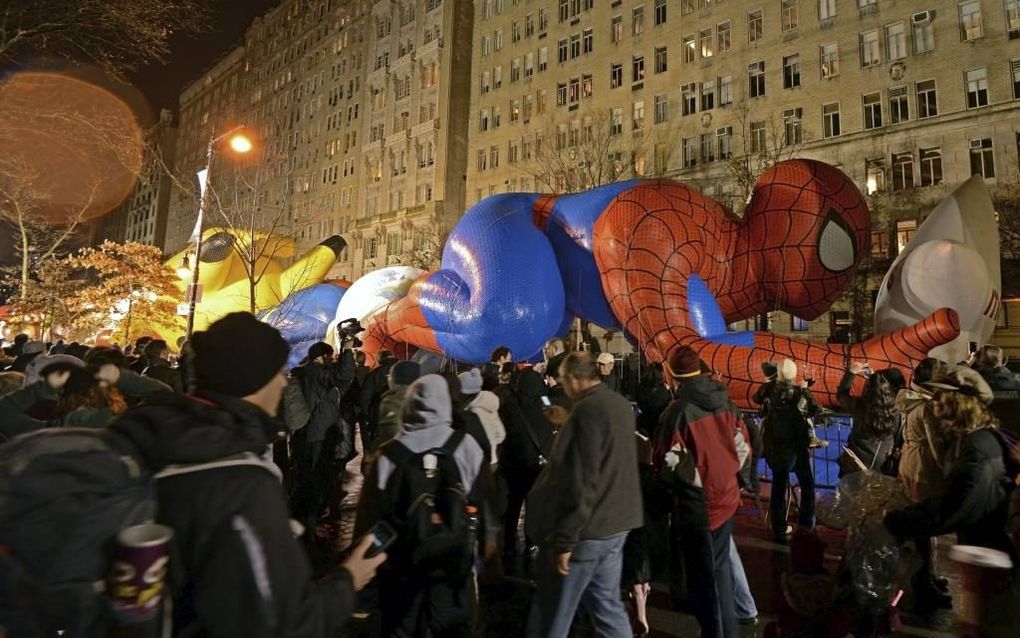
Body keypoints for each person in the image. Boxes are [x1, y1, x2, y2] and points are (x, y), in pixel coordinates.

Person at [108, 312, 385, 636]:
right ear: (254, 379)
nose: (284, 381)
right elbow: (285, 623)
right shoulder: (241, 480)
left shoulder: (160, 437)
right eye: (277, 372)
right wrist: (348, 580)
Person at [357, 375, 486, 637]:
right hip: (451, 559)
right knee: (451, 627)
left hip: (401, 560)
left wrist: (364, 566)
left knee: (400, 627)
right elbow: (481, 499)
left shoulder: (389, 453)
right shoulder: (465, 446)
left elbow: (371, 515)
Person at [526, 352, 643, 638]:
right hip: (618, 521)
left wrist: (565, 540)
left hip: (588, 530)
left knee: (554, 611)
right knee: (606, 606)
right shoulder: (617, 403)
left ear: (573, 380)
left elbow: (584, 478)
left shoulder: (587, 412)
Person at [655, 346, 750, 638]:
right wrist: (728, 475)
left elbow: (667, 461)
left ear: (673, 375)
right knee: (718, 569)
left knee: (705, 577)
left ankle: (717, 631)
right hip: (726, 496)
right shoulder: (725, 402)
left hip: (699, 504)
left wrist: (694, 482)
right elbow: (743, 444)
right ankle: (727, 628)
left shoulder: (677, 412)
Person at [885, 366, 1018, 573]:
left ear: (962, 402)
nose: (935, 399)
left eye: (942, 394)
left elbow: (957, 504)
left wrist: (898, 521)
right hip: (984, 556)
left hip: (990, 562)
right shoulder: (971, 439)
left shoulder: (977, 445)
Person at [895, 357, 953, 613]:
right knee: (924, 529)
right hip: (923, 468)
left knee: (922, 528)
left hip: (910, 462)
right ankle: (923, 586)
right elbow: (936, 444)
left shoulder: (911, 400)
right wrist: (949, 469)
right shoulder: (927, 406)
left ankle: (927, 578)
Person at [0, 358, 170, 440]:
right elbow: (168, 398)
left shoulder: (53, 432)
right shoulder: (128, 427)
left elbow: (5, 412)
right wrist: (123, 378)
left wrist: (42, 388)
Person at [290, 341, 356, 525]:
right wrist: (348, 350)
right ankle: (312, 518)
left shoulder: (309, 373)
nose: (332, 359)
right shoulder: (316, 373)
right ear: (319, 356)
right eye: (329, 356)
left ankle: (312, 514)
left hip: (312, 431)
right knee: (317, 474)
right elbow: (343, 376)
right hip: (318, 433)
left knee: (310, 474)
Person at [761, 359, 819, 543]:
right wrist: (805, 389)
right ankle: (806, 523)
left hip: (775, 446)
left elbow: (757, 398)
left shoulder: (769, 390)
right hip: (795, 447)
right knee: (807, 484)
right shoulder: (797, 394)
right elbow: (814, 410)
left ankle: (778, 525)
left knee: (778, 485)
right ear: (793, 375)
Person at [500, 369, 555, 559]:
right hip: (537, 463)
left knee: (513, 503)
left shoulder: (510, 405)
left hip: (514, 462)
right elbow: (552, 425)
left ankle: (508, 541)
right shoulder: (545, 404)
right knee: (533, 503)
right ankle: (532, 542)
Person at [837, 363, 905, 475]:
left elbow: (842, 394)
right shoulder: (897, 413)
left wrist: (851, 373)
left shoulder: (860, 406)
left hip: (855, 463)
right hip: (881, 466)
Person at [368, 360, 422, 465]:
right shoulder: (424, 398)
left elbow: (388, 434)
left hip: (396, 463)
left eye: (390, 376)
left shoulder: (391, 402)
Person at [359, 350, 398, 454]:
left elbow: (365, 397)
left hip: (378, 416)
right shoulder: (402, 372)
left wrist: (367, 416)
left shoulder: (373, 374)